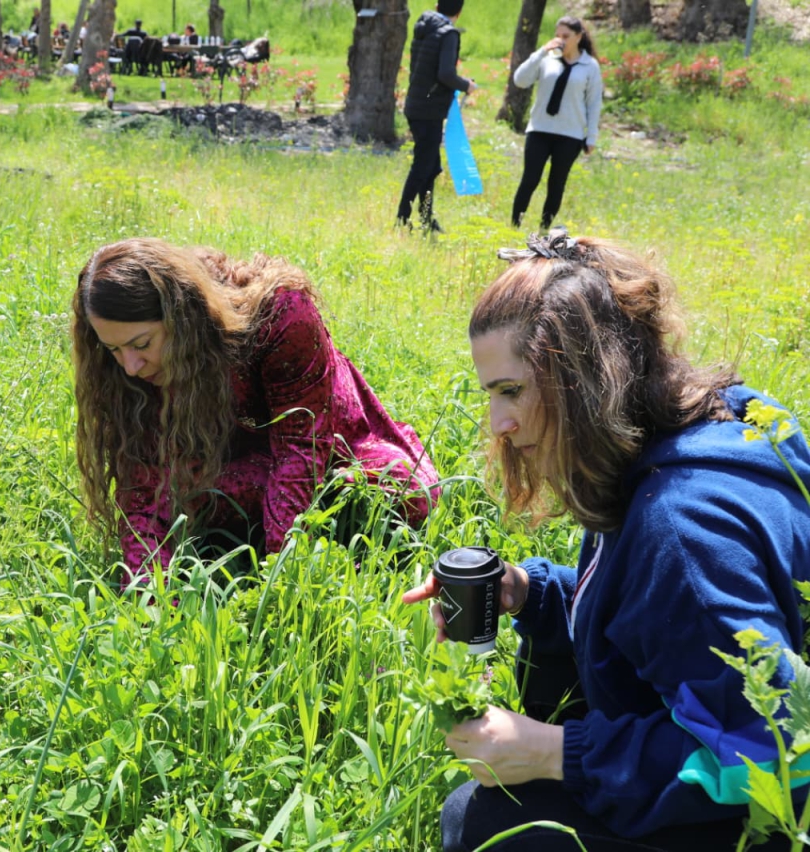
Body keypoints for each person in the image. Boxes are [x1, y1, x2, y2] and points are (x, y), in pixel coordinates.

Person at [403, 230, 810, 851]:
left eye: (511, 391)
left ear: (583, 378)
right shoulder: (721, 417)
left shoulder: (678, 532)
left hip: (770, 818)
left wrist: (555, 753)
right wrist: (530, 592)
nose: (500, 425)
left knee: (482, 823)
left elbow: (778, 757)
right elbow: (654, 615)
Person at [72, 238, 440, 590]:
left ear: (181, 317)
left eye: (142, 344)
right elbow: (141, 488)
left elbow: (301, 448)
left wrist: (281, 577)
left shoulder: (281, 315)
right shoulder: (127, 372)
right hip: (232, 459)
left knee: (408, 496)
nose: (131, 367)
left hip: (335, 444)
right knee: (185, 495)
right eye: (114, 350)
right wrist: (148, 595)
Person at [509, 16, 603, 229]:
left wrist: (591, 136)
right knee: (530, 179)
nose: (561, 40)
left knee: (556, 184)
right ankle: (515, 225)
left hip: (570, 134)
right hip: (540, 129)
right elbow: (520, 80)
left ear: (578, 37)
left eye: (566, 36)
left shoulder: (590, 66)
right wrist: (542, 51)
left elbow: (594, 102)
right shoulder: (546, 59)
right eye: (558, 35)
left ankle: (545, 230)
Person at [396, 0, 476, 235]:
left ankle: (426, 217)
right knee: (423, 165)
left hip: (416, 103)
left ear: (437, 5)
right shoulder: (448, 33)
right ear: (459, 11)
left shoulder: (425, 25)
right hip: (429, 109)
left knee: (431, 165)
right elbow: (445, 74)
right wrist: (466, 85)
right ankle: (402, 217)